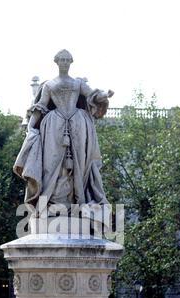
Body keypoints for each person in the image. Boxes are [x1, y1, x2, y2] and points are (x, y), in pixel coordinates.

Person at [13, 49, 113, 213]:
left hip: (78, 124)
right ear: (57, 62)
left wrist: (105, 95)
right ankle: (52, 202)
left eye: (68, 60)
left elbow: (93, 95)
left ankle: (76, 202)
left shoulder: (77, 83)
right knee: (51, 164)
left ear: (71, 62)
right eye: (62, 60)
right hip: (53, 125)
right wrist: (31, 127)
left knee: (79, 163)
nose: (65, 63)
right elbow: (41, 106)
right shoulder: (49, 85)